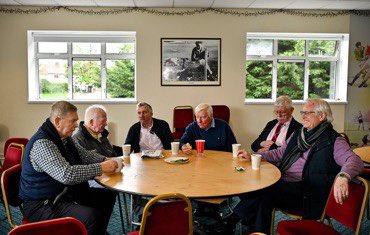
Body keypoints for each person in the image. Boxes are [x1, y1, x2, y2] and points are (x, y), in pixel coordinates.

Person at [224, 98, 364, 234]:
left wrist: (343, 176)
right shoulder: (299, 134)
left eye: (307, 113)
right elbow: (279, 153)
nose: (303, 116)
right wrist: (254, 156)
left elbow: (354, 160)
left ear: (321, 116)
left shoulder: (333, 140)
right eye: (302, 113)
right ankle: (253, 229)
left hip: (307, 192)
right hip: (285, 182)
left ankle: (230, 221)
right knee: (261, 196)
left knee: (264, 190)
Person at [19, 101, 119, 235]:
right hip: (42, 205)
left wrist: (105, 160)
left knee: (108, 196)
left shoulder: (64, 137)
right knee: (91, 216)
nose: (77, 125)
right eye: (73, 121)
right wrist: (101, 167)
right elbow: (67, 175)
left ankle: (98, 231)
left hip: (61, 194)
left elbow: (84, 155)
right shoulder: (42, 143)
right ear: (57, 121)